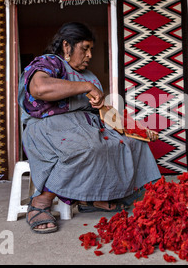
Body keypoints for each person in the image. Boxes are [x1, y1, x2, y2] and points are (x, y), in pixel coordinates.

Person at [18, 22, 161, 234]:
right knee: (87, 147)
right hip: (49, 129)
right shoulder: (50, 63)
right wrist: (86, 87)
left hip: (86, 127)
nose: (90, 55)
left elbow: (103, 111)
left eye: (91, 49)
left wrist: (137, 128)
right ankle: (40, 201)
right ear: (67, 47)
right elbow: (39, 88)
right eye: (85, 48)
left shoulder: (89, 76)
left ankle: (96, 196)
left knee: (132, 142)